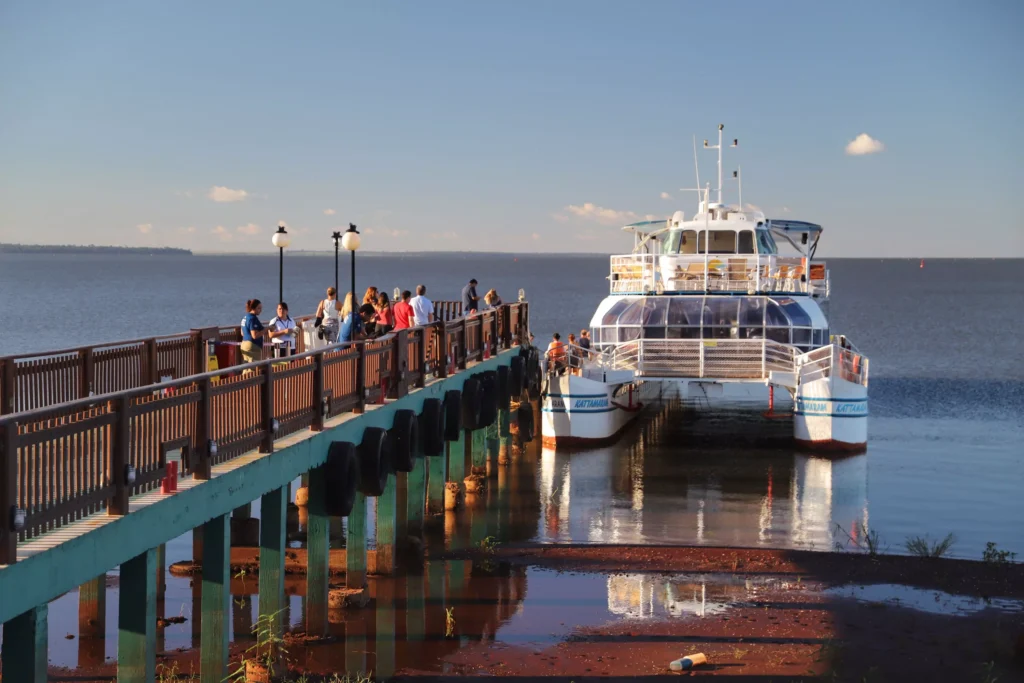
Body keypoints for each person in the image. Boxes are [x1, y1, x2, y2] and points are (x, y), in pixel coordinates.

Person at [240, 299, 268, 363]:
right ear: (253, 308)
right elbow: (254, 335)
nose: (260, 310)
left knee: (246, 367)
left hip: (244, 344)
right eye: (259, 308)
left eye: (261, 308)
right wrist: (266, 329)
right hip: (253, 346)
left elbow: (242, 333)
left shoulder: (245, 317)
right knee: (254, 367)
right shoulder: (253, 319)